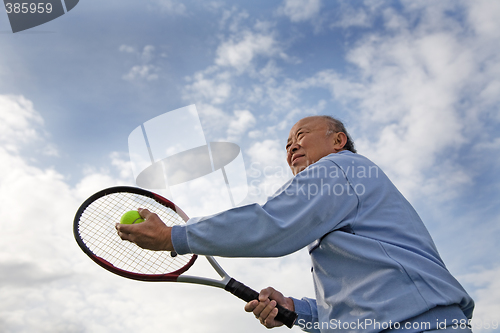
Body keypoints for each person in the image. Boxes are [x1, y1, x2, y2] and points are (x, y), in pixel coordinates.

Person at [116, 116, 474, 332]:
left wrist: (173, 236)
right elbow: (356, 313)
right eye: (286, 145)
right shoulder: (340, 206)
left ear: (338, 141)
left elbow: (273, 223)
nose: (291, 148)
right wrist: (295, 308)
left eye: (301, 136)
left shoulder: (343, 167)